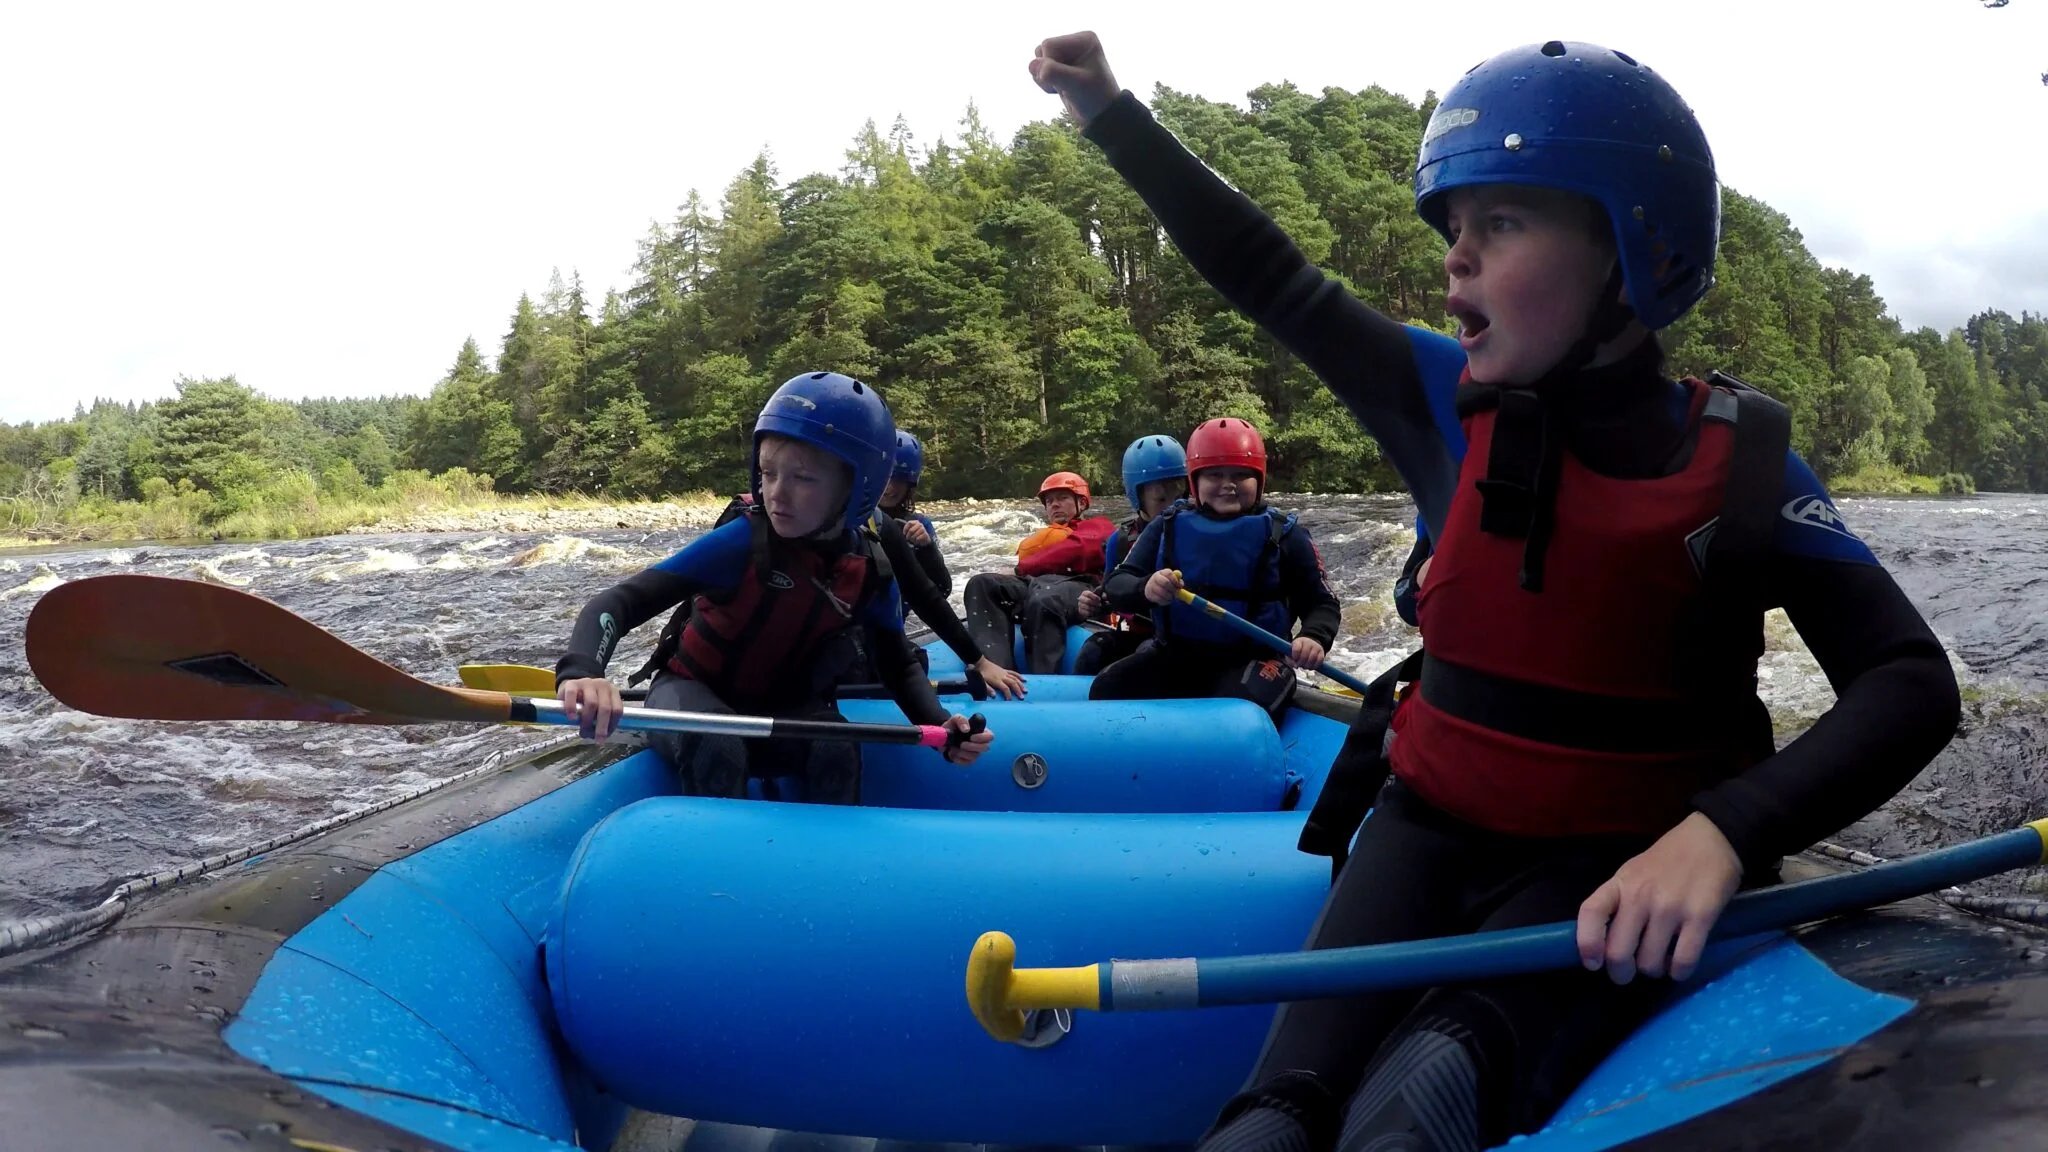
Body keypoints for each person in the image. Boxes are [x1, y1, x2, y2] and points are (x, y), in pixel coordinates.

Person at [1031, 33, 1960, 1150]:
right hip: (1424, 833)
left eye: (1502, 225)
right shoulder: (1438, 399)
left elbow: (1906, 684)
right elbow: (1269, 275)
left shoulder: (1744, 467)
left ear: (1632, 251)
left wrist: (1720, 834)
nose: (1455, 261)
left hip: (1611, 867)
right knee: (1268, 1127)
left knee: (1412, 1111)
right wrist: (1108, 113)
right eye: (1452, 229)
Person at [553, 371, 994, 803]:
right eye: (768, 473)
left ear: (856, 488)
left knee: (837, 745)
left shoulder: (869, 569)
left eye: (802, 478)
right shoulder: (743, 541)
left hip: (784, 706)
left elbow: (897, 663)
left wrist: (940, 728)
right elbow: (619, 603)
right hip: (693, 693)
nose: (776, 494)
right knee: (718, 744)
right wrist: (584, 672)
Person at [1088, 419, 1341, 719]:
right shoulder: (1166, 525)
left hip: (1256, 660)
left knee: (1234, 713)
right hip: (1178, 654)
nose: (1228, 484)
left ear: (1258, 480)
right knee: (1107, 688)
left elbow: (1322, 602)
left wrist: (1313, 636)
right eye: (1215, 475)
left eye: (1240, 475)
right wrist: (1146, 588)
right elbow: (1118, 583)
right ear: (1195, 482)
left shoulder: (1284, 535)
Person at [962, 471, 1118, 674]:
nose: (1054, 504)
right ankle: (997, 672)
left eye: (1062, 498)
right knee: (981, 584)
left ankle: (1044, 679)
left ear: (1081, 502)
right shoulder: (1043, 537)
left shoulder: (1098, 526)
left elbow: (1078, 550)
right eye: (1049, 501)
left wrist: (1019, 569)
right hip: (1037, 583)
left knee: (1044, 599)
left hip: (1080, 585)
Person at [1073, 434, 1188, 675]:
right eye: (1162, 499)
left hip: (1182, 641)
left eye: (1180, 496)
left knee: (1148, 654)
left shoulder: (1196, 531)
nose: (1175, 505)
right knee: (1094, 649)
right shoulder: (1122, 540)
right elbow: (1111, 594)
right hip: (1140, 634)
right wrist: (1095, 605)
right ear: (1138, 497)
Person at [879, 430, 950, 596]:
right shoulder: (854, 517)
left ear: (910, 483)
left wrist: (926, 548)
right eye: (886, 478)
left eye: (899, 480)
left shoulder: (919, 526)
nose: (890, 488)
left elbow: (943, 589)